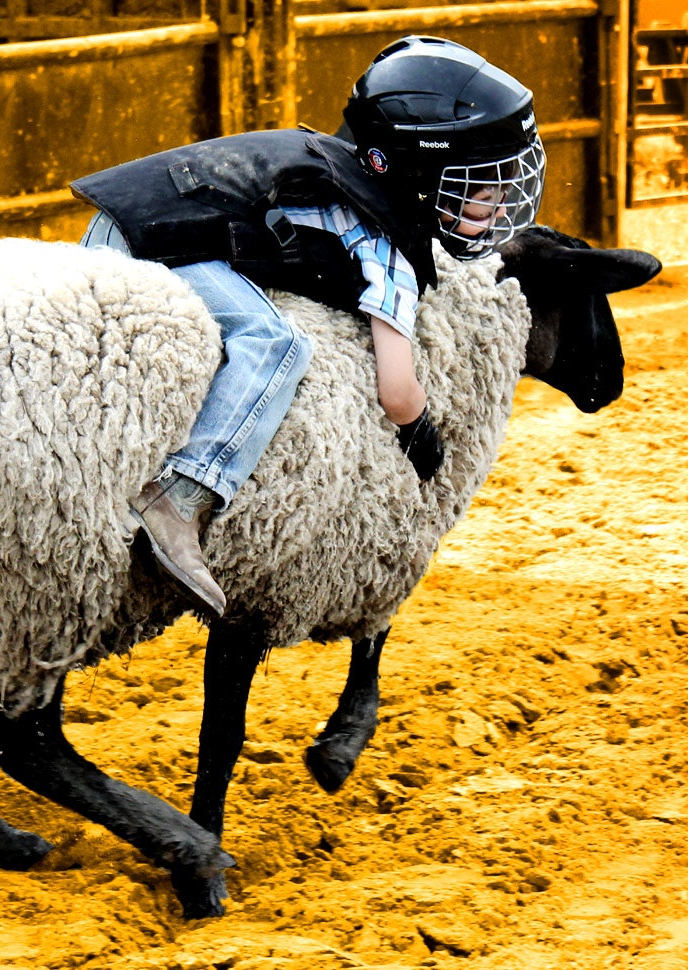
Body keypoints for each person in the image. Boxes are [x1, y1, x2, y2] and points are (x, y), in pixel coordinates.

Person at [70, 35, 545, 616]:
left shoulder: (335, 165)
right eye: (477, 190)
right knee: (277, 343)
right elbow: (396, 391)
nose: (497, 208)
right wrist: (422, 426)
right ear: (418, 173)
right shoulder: (381, 240)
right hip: (148, 247)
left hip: (135, 225)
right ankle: (182, 493)